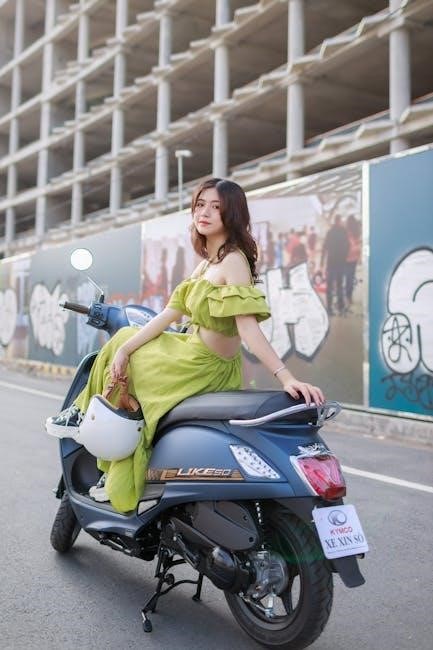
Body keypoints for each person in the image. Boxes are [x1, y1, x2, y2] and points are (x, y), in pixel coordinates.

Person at [46, 178, 324, 513]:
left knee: (133, 385)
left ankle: (100, 444)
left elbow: (247, 327)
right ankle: (89, 423)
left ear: (232, 214)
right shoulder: (207, 263)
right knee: (122, 342)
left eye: (216, 207)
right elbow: (170, 314)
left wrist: (286, 377)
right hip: (189, 352)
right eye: (200, 204)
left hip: (202, 365)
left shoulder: (233, 261)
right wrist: (124, 349)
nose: (204, 212)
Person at [320, 215, 349, 315]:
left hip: (331, 263)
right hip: (340, 263)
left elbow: (324, 247)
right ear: (339, 221)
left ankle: (329, 308)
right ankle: (340, 307)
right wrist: (345, 258)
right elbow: (347, 246)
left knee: (330, 286)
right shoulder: (343, 232)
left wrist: (322, 262)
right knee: (340, 285)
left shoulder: (330, 232)